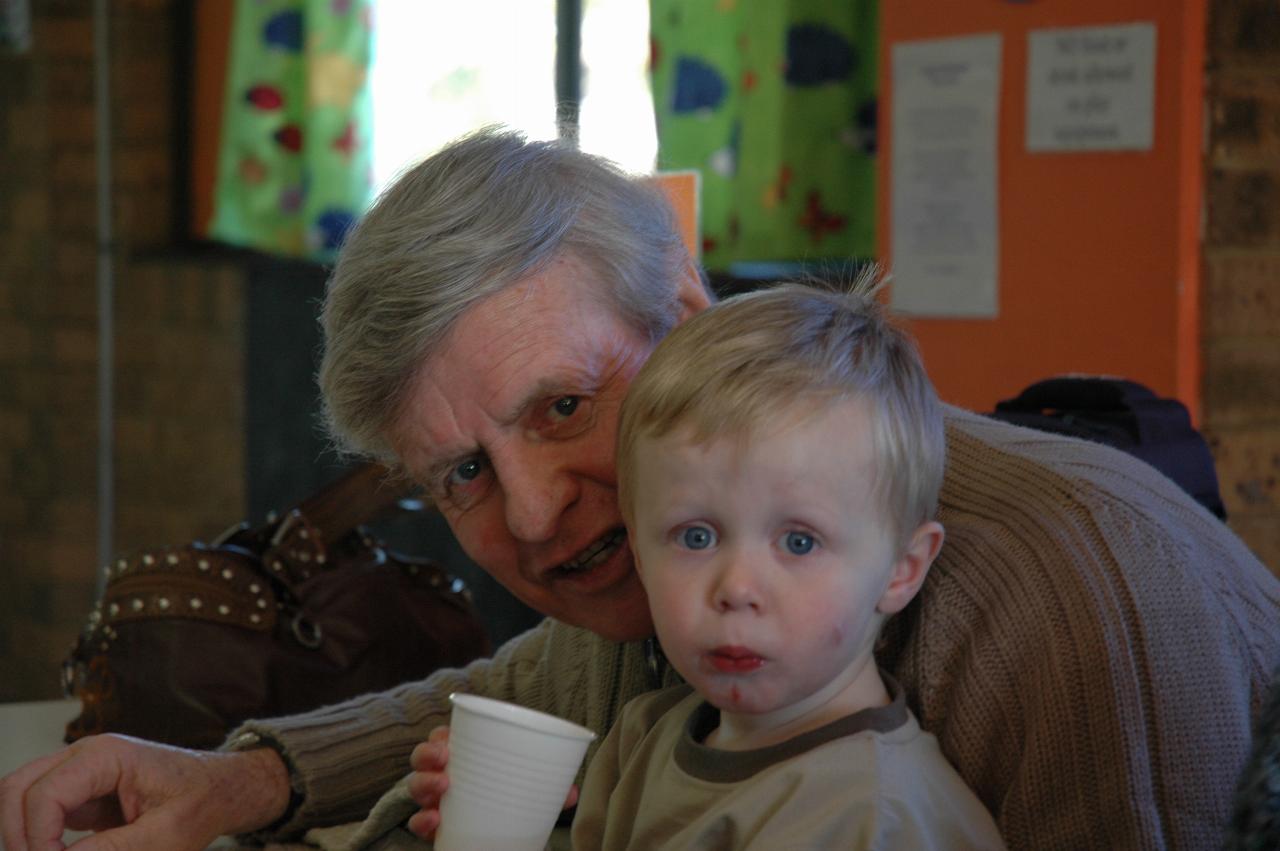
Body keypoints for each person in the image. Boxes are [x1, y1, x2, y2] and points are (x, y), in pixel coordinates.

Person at [2, 128, 1277, 851]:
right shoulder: (672, 578)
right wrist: (233, 780)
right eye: (462, 474)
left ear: (683, 315)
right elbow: (515, 691)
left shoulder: (1062, 602)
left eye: (562, 406)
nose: (538, 514)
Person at [564, 279, 1004, 849]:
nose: (737, 588)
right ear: (640, 553)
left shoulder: (881, 820)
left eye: (799, 543)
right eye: (695, 536)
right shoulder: (641, 742)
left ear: (902, 569)